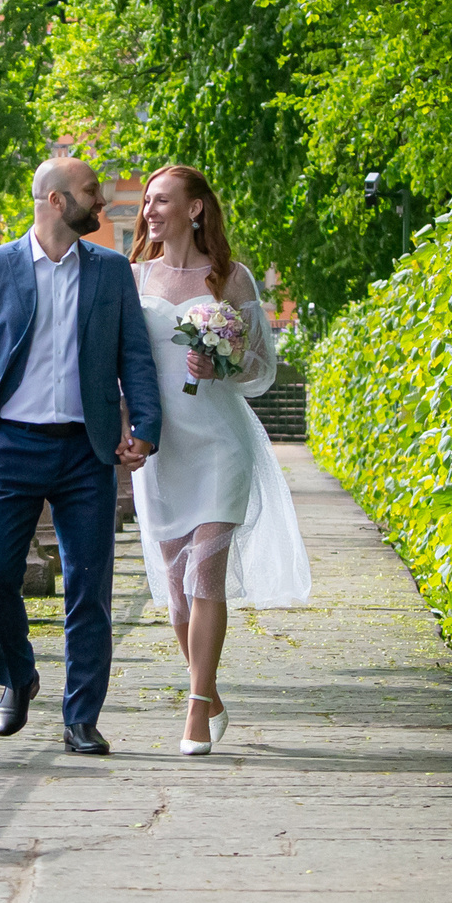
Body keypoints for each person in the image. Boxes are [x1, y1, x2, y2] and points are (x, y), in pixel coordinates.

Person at [0, 156, 160, 755]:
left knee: (89, 589)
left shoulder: (113, 272)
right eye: (92, 192)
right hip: (8, 445)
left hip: (86, 452)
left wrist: (145, 425)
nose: (105, 201)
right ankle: (17, 677)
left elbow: (134, 357)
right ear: (58, 202)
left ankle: (81, 718)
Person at [132, 163, 312, 756]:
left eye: (162, 201)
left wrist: (223, 365)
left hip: (220, 443)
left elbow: (262, 368)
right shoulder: (132, 279)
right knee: (177, 591)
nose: (150, 211)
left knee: (203, 572)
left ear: (195, 209)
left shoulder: (230, 280)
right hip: (163, 450)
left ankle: (193, 711)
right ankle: (208, 692)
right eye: (148, 202)